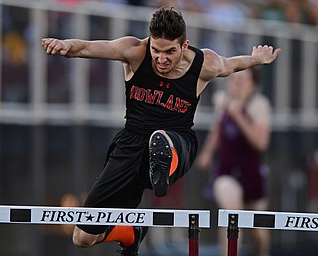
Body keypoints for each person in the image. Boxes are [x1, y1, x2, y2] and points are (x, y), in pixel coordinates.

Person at [41, 6, 280, 256]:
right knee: (83, 237)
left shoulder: (203, 63)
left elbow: (231, 65)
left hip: (178, 143)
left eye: (170, 52)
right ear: (149, 42)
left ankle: (164, 161)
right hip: (131, 145)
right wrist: (65, 45)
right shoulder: (134, 51)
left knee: (161, 139)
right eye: (156, 50)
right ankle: (131, 232)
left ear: (184, 45)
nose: (161, 59)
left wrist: (255, 59)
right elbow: (88, 48)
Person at [196, 67, 272, 256]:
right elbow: (217, 129)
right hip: (226, 170)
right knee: (231, 216)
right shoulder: (221, 100)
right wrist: (206, 153)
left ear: (252, 84)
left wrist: (239, 117)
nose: (236, 84)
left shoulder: (258, 105)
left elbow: (261, 143)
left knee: (257, 230)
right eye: (233, 79)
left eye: (242, 80)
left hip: (251, 172)